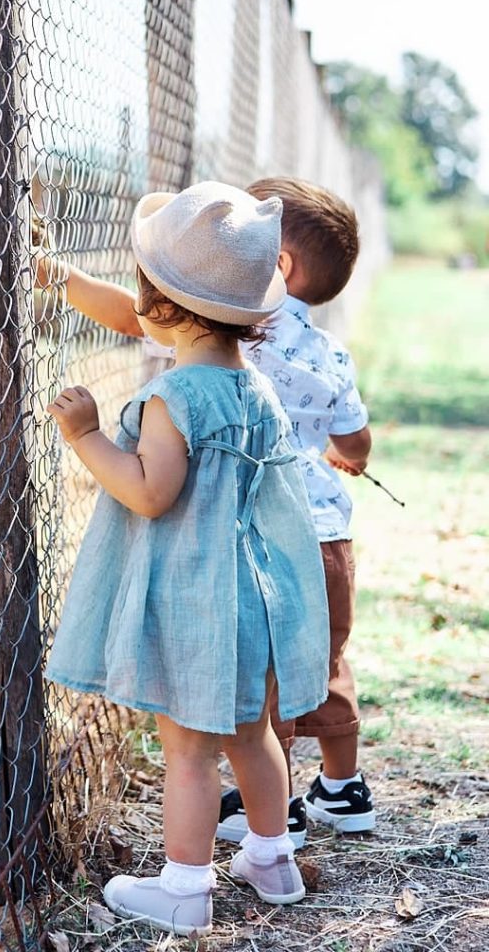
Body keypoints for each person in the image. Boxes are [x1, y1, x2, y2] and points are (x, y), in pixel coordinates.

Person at [44, 181, 330, 937]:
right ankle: (273, 859)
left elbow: (149, 492)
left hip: (195, 602)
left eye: (145, 296)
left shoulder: (175, 398)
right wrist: (64, 279)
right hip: (253, 595)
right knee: (252, 735)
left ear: (165, 309)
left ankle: (184, 887)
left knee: (188, 752)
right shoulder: (254, 389)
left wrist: (87, 437)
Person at [213, 177, 374, 849]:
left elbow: (137, 320)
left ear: (278, 265)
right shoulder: (331, 352)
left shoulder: (240, 328)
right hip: (331, 539)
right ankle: (343, 791)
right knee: (328, 660)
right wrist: (349, 458)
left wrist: (59, 278)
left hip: (268, 537)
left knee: (266, 668)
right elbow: (356, 442)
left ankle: (268, 808)